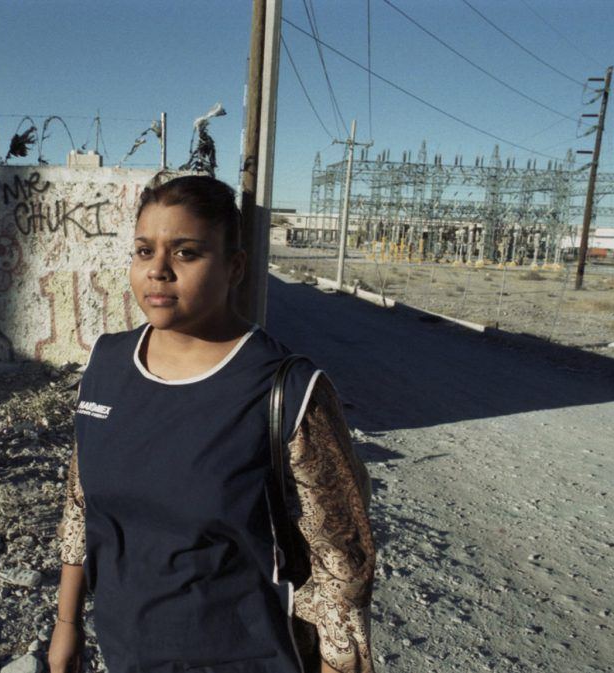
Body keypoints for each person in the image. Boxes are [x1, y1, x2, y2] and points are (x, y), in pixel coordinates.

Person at [47, 175, 376, 673]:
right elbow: (81, 505)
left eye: (186, 253)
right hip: (125, 652)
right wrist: (67, 625)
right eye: (143, 251)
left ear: (234, 267)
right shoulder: (106, 364)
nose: (158, 271)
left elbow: (342, 568)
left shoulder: (287, 391)